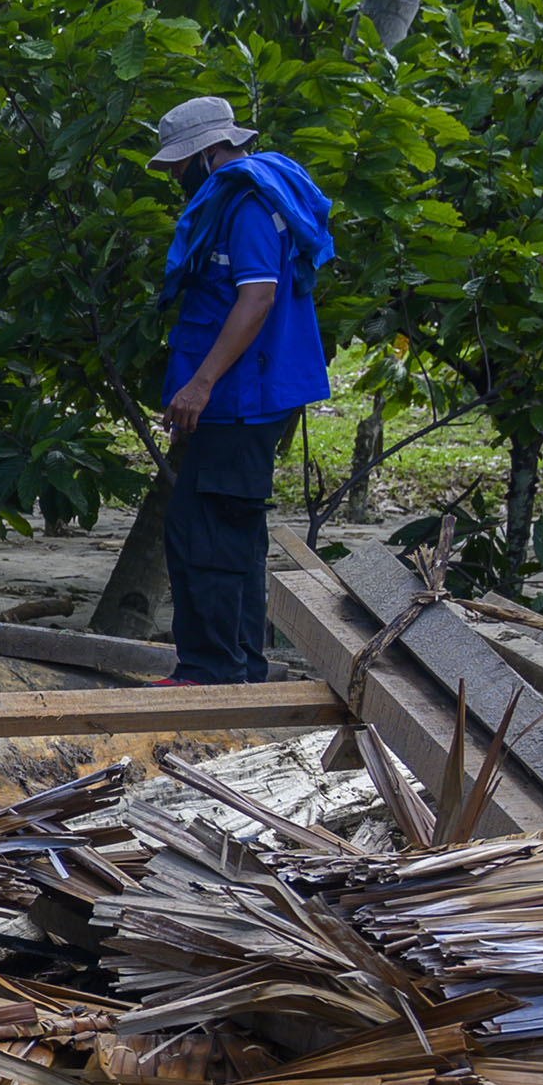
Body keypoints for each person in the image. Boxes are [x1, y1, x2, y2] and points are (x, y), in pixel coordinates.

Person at [143, 94, 334, 686]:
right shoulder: (246, 195)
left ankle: (211, 670)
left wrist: (201, 384)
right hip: (243, 398)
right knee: (229, 527)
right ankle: (239, 665)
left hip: (242, 399)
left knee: (206, 530)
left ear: (206, 153)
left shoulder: (247, 203)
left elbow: (257, 299)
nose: (174, 175)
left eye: (177, 164)